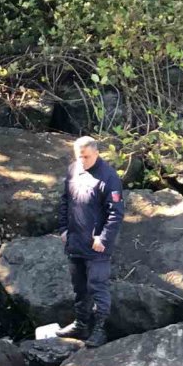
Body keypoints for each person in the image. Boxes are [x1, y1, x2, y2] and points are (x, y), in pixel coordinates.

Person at [56, 136, 125, 347]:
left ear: (96, 153)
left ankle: (100, 329)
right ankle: (80, 324)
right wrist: (64, 229)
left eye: (86, 157)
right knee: (79, 287)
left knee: (98, 286)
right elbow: (65, 201)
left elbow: (116, 213)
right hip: (75, 240)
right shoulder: (72, 170)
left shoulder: (109, 177)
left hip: (97, 245)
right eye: (79, 157)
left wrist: (103, 238)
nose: (82, 161)